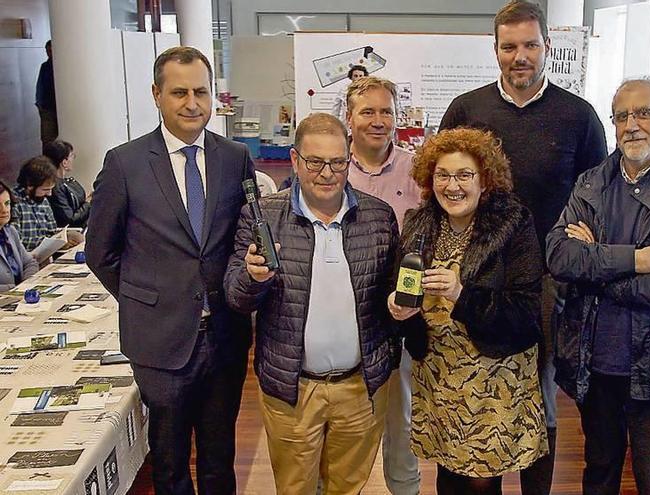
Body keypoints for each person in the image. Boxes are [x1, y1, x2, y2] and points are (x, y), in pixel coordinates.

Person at [438, 3, 607, 490]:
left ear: (546, 48)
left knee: (540, 397)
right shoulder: (466, 110)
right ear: (495, 51)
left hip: (549, 283)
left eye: (530, 45)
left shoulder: (579, 117)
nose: (520, 57)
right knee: (480, 395)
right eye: (509, 47)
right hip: (476, 279)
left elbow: (596, 192)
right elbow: (444, 183)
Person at [86, 46, 253, 495]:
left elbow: (246, 237)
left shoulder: (235, 157)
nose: (192, 103)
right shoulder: (125, 163)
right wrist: (148, 301)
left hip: (224, 339)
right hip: (159, 344)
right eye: (179, 92)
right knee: (170, 465)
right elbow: (100, 252)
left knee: (219, 462)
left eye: (201, 91)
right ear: (156, 94)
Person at [546, 77, 650, 495]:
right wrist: (636, 260)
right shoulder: (591, 183)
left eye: (644, 113)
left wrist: (598, 270)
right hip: (595, 357)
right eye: (622, 116)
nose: (632, 125)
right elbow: (558, 256)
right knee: (599, 468)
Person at [224, 112, 399, 495]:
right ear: (294, 160)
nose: (327, 173)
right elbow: (235, 297)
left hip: (361, 388)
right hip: (291, 391)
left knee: (348, 488)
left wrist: (400, 311)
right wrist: (252, 278)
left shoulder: (379, 217)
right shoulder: (263, 217)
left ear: (349, 159)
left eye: (337, 162)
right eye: (315, 162)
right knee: (295, 488)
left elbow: (391, 296)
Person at [388, 127, 547, 495]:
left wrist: (462, 294)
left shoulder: (513, 225)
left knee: (481, 480)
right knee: (448, 471)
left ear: (485, 180)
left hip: (494, 380)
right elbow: (399, 286)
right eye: (442, 175)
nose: (452, 186)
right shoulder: (419, 224)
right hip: (440, 375)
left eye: (464, 175)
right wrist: (396, 308)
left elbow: (526, 312)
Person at [346, 75, 422, 494]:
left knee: (402, 425)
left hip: (402, 321)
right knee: (346, 432)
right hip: (346, 323)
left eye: (386, 111)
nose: (378, 120)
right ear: (350, 116)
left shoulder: (419, 170)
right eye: (368, 111)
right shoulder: (333, 169)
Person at [11, 155, 58, 252]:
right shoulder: (13, 202)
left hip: (45, 257)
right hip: (24, 261)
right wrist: (47, 242)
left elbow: (51, 231)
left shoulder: (43, 200)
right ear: (30, 186)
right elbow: (16, 242)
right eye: (45, 189)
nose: (49, 194)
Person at [0, 180, 38, 291]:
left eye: (7, 203)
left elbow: (30, 263)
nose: (4, 210)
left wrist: (26, 285)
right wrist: (14, 289)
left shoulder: (10, 231)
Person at [43, 139, 90, 228]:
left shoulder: (67, 181)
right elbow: (70, 220)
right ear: (64, 162)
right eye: (72, 156)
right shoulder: (55, 188)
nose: (74, 158)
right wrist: (88, 204)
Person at [36, 40, 57, 145]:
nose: (49, 53)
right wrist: (39, 105)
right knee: (48, 138)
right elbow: (40, 86)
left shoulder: (62, 66)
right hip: (48, 108)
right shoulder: (45, 67)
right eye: (47, 51)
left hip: (60, 107)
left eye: (51, 50)